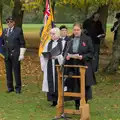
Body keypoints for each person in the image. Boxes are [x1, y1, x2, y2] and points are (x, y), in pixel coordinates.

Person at [63, 23, 96, 110]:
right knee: (74, 85)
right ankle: (77, 104)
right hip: (72, 65)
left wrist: (82, 57)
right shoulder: (69, 39)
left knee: (84, 85)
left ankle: (84, 104)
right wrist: (67, 56)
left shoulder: (87, 39)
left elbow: (91, 52)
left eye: (78, 30)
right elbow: (65, 51)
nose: (76, 32)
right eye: (74, 30)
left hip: (84, 65)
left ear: (81, 30)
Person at [40, 27, 66, 106]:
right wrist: (46, 56)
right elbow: (43, 53)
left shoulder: (63, 42)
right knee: (51, 81)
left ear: (58, 34)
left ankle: (60, 99)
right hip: (50, 64)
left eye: (53, 34)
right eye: (50, 33)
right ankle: (53, 100)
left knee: (59, 81)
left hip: (58, 64)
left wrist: (58, 57)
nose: (51, 35)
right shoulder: (48, 43)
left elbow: (65, 53)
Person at [1, 16, 26, 93]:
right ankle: (10, 88)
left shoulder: (18, 30)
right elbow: (3, 42)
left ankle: (18, 88)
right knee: (8, 72)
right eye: (7, 22)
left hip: (15, 54)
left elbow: (22, 42)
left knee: (16, 72)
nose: (9, 23)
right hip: (7, 54)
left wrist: (21, 54)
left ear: (14, 22)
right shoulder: (5, 31)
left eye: (11, 22)